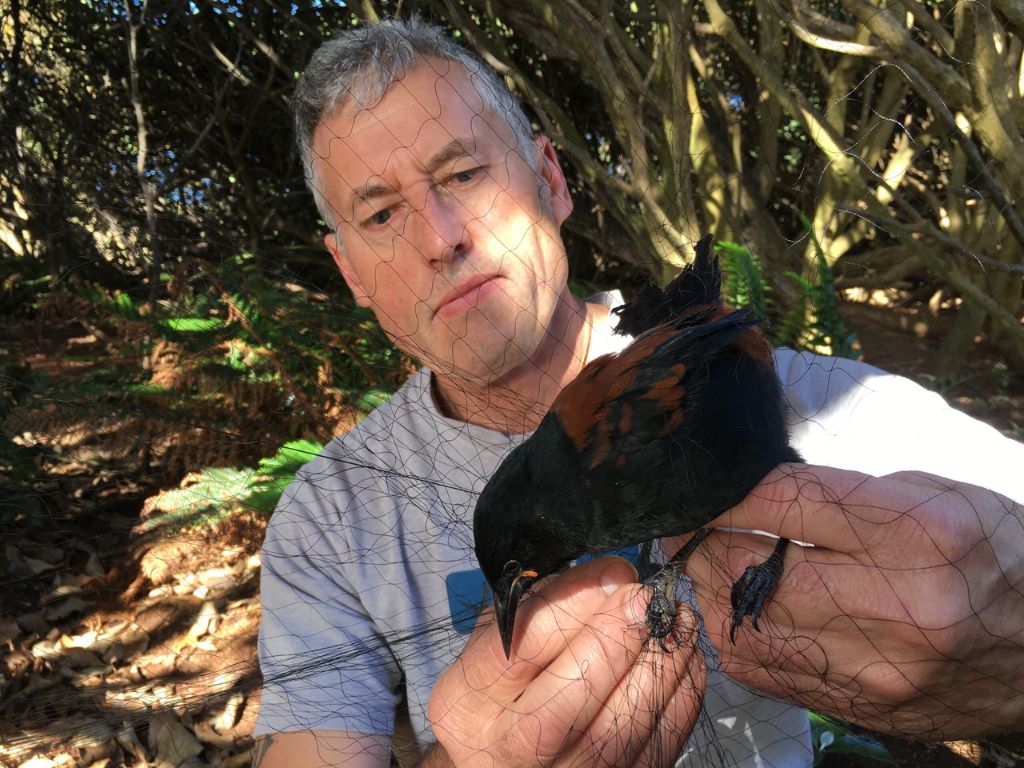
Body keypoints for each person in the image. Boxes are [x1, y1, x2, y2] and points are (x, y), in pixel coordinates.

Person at [254, 16, 1024, 767]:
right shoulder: (329, 523)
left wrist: (1013, 670)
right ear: (349, 270)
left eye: (462, 174)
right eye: (382, 213)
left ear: (551, 181)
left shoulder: (811, 402)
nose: (438, 237)